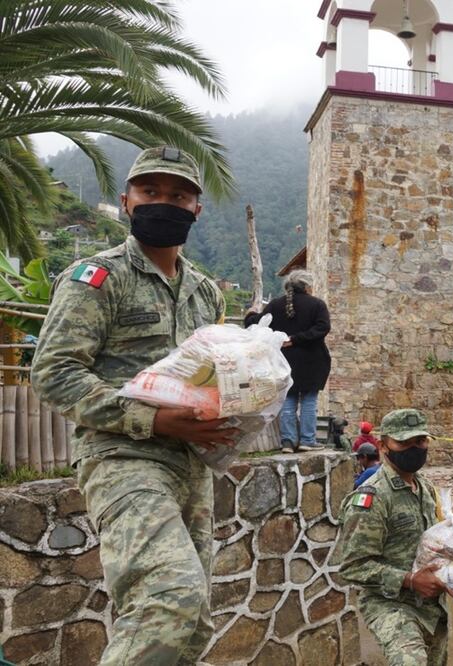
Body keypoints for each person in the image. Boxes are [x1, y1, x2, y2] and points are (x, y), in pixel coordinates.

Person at [31, 146, 234, 664]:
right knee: (170, 596)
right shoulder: (97, 278)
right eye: (150, 192)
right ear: (126, 201)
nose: (163, 203)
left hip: (191, 466)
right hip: (123, 459)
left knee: (189, 625)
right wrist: (151, 418)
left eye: (179, 195)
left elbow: (213, 373)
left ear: (197, 209)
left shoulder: (206, 293)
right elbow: (55, 373)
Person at [330, 408, 448, 665]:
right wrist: (409, 580)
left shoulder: (424, 487)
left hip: (431, 605)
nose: (414, 448)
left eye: (420, 441)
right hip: (389, 604)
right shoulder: (372, 498)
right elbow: (353, 566)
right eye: (404, 442)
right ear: (383, 445)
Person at [245, 269, 331, 453]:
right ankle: (308, 440)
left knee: (288, 401)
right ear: (307, 287)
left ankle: (288, 442)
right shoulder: (317, 305)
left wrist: (250, 314)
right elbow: (323, 328)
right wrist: (298, 338)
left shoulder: (275, 305)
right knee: (309, 401)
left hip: (284, 362)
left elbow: (256, 323)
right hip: (312, 361)